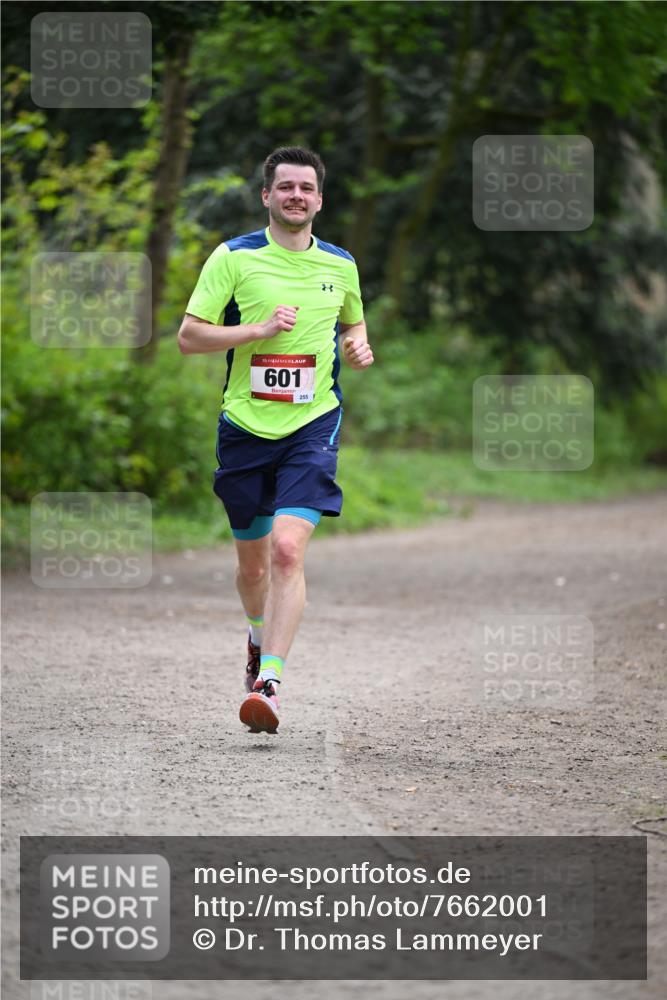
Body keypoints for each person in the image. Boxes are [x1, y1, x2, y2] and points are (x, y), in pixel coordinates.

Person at [178, 146, 373, 733]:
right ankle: (256, 635)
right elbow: (189, 337)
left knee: (287, 550)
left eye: (306, 188)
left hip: (313, 423)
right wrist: (257, 330)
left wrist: (357, 345)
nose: (296, 196)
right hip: (244, 427)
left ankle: (270, 681)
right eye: (285, 187)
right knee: (254, 568)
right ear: (267, 195)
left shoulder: (341, 265)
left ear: (320, 199)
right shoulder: (233, 258)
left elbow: (353, 320)